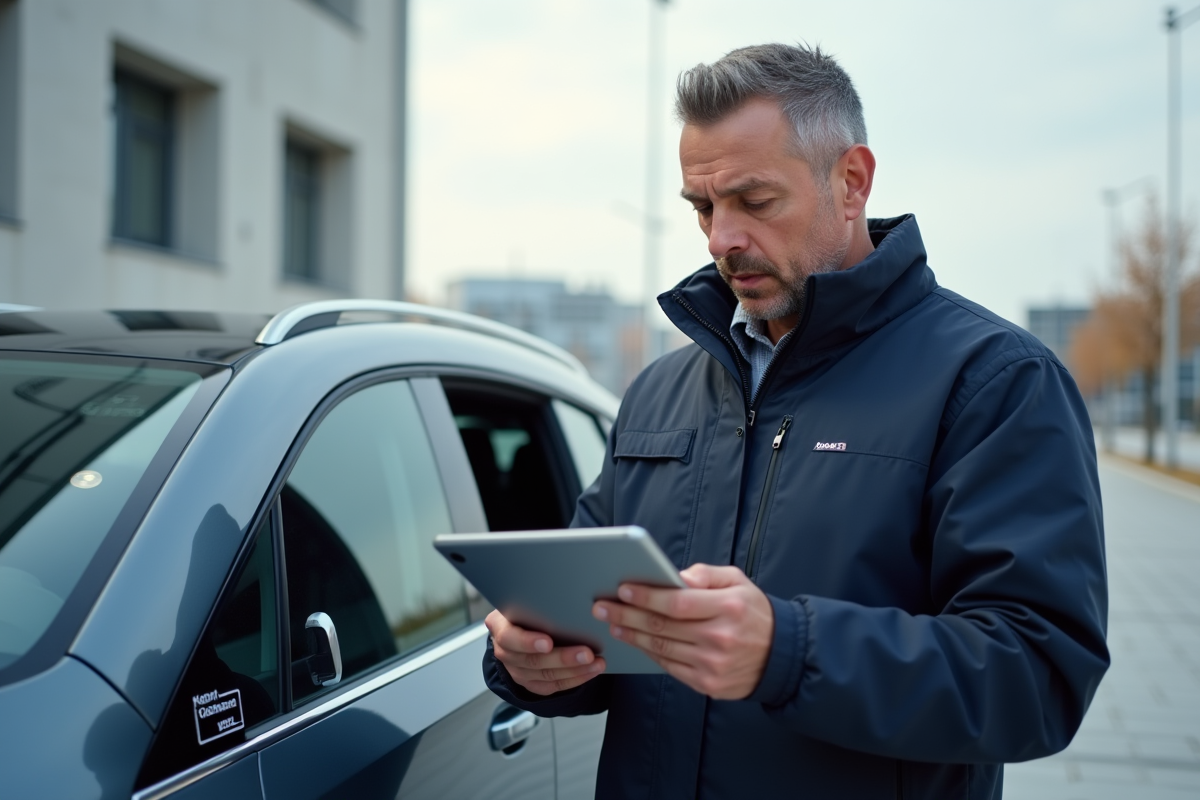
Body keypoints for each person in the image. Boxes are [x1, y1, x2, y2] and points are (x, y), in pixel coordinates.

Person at [484, 43, 1109, 799]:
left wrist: (789, 652)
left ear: (851, 182)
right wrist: (537, 662)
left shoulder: (995, 382)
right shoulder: (660, 390)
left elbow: (1037, 676)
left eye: (754, 200)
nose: (720, 239)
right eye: (703, 208)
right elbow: (605, 634)